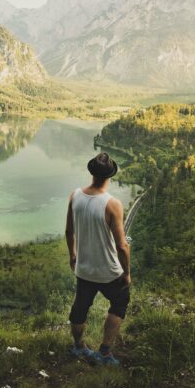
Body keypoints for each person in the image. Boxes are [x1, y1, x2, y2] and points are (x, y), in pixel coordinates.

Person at [65, 151, 131, 366]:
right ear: (110, 175)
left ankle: (78, 347)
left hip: (84, 268)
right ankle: (104, 352)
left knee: (80, 308)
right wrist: (127, 273)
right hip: (108, 270)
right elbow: (122, 246)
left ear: (91, 172)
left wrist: (73, 255)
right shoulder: (112, 204)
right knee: (119, 302)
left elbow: (69, 231)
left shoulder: (75, 196)